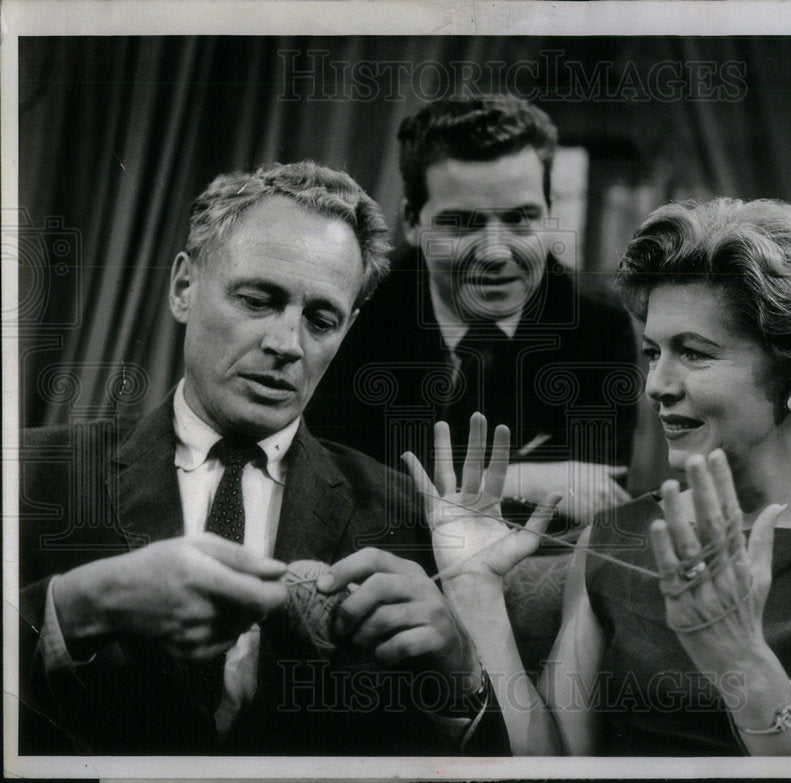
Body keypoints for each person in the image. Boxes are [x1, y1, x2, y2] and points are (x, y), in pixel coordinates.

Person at [395, 198, 791, 755]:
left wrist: (743, 659)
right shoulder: (615, 535)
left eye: (693, 353)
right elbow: (554, 764)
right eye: (652, 353)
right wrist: (476, 589)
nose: (656, 386)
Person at [18, 161, 508, 756]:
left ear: (347, 330)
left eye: (321, 320)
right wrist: (76, 606)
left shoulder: (406, 517)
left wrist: (460, 676)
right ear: (183, 288)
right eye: (258, 300)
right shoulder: (30, 477)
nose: (287, 344)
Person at [305, 95, 637, 529]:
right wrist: (517, 480)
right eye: (462, 224)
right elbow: (331, 488)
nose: (497, 253)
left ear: (549, 212)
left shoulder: (598, 328)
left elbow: (591, 503)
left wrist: (426, 486)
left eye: (520, 218)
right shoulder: (354, 311)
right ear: (411, 222)